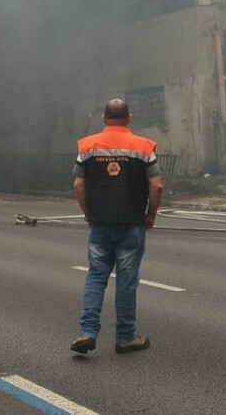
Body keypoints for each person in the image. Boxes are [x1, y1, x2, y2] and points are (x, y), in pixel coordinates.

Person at [70, 98, 163, 355]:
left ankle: (87, 333)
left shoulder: (87, 146)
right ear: (129, 118)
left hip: (100, 224)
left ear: (103, 118)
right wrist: (150, 216)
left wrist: (89, 214)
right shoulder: (144, 148)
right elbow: (156, 186)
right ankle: (125, 337)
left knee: (96, 277)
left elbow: (78, 185)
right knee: (126, 281)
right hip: (132, 225)